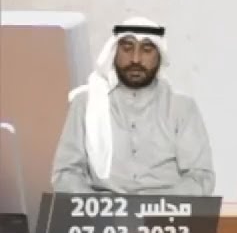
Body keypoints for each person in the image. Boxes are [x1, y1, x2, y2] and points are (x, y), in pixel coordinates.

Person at [51, 17, 215, 196]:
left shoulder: (182, 108)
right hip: (102, 209)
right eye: (127, 48)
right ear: (114, 52)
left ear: (159, 55)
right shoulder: (86, 103)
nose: (136, 59)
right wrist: (99, 205)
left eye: (147, 49)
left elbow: (200, 178)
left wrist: (156, 206)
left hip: (167, 210)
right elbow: (65, 174)